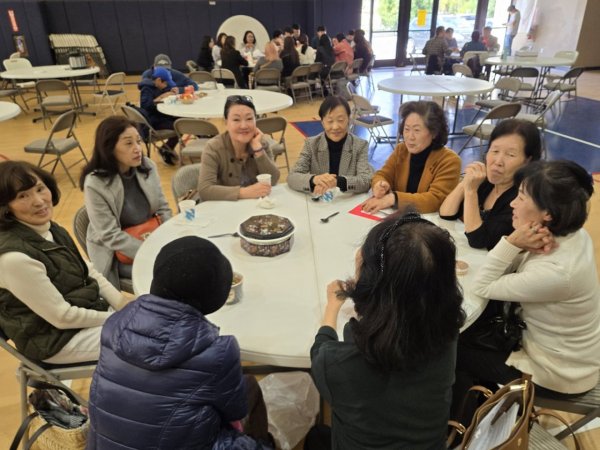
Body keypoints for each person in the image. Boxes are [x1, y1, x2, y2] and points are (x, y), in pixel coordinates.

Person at [87, 236, 273, 450]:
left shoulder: (114, 326)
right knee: (248, 395)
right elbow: (235, 412)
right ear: (216, 298)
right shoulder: (217, 352)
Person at [453, 160, 600, 421]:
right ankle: (483, 404)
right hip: (563, 352)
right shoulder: (572, 234)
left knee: (454, 351)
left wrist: (512, 242)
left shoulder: (558, 271)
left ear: (548, 214)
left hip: (558, 374)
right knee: (471, 330)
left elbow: (482, 285)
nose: (513, 203)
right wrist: (519, 244)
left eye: (521, 197)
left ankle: (468, 424)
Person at [307, 211, 465, 449]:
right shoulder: (448, 333)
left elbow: (320, 351)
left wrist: (332, 306)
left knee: (316, 436)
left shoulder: (338, 363)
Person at [0, 161, 127, 364]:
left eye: (40, 189)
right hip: (54, 339)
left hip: (85, 313)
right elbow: (62, 317)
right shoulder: (13, 259)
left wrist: (122, 304)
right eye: (22, 196)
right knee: (154, 340)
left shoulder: (50, 228)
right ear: (5, 207)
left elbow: (88, 271)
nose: (39, 201)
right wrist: (119, 317)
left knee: (158, 324)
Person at [80, 116, 172, 289]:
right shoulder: (95, 184)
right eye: (128, 143)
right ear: (109, 148)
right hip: (119, 254)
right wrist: (150, 252)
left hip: (151, 237)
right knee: (169, 274)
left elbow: (163, 208)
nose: (138, 148)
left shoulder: (147, 166)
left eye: (138, 141)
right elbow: (110, 235)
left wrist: (169, 238)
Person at [440, 119, 542, 250]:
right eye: (494, 151)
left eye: (510, 155)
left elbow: (478, 240)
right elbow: (447, 213)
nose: (498, 161)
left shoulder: (522, 199)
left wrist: (470, 191)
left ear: (528, 161)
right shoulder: (486, 182)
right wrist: (466, 182)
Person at [362, 101, 461, 214]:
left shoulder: (449, 161)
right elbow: (382, 174)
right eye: (407, 129)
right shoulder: (401, 150)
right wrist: (380, 185)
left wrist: (393, 198)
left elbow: (434, 200)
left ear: (434, 133)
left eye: (417, 130)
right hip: (399, 216)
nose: (410, 137)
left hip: (430, 220)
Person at [197, 95, 280, 201]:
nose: (244, 126)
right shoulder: (213, 148)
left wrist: (259, 151)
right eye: (236, 119)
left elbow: (273, 180)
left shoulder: (261, 143)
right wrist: (245, 192)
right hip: (225, 207)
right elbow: (204, 190)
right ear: (226, 122)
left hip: (255, 206)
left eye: (249, 118)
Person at [288, 96, 373, 195]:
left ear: (349, 120)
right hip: (321, 199)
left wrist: (337, 181)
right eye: (330, 121)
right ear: (322, 122)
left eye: (340, 120)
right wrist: (314, 179)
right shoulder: (311, 144)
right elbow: (292, 177)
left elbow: (366, 181)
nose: (335, 127)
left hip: (347, 199)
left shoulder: (360, 145)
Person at [137, 66, 181, 165]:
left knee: (181, 120)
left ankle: (167, 148)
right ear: (158, 80)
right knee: (180, 125)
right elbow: (146, 106)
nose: (166, 86)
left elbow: (165, 89)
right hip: (152, 122)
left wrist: (172, 91)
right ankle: (165, 149)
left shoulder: (157, 85)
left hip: (159, 116)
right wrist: (161, 96)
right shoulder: (146, 88)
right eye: (165, 83)